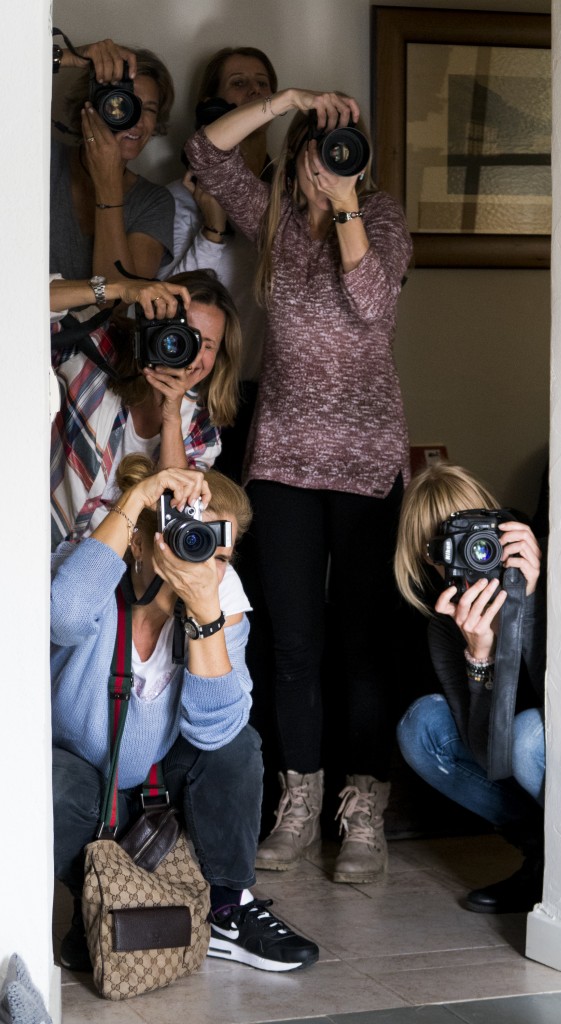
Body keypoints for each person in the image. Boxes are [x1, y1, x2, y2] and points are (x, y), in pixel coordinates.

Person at [184, 88, 413, 883]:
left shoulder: (382, 218)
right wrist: (283, 100)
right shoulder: (274, 220)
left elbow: (373, 304)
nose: (334, 156)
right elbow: (205, 151)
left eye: (348, 144)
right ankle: (299, 801)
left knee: (363, 644)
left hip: (365, 463)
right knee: (291, 643)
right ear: (298, 153)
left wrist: (345, 202)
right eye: (322, 143)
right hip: (281, 461)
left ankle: (363, 811)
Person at [52, 456, 319, 973]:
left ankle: (227, 909)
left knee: (238, 745)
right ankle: (92, 907)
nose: (203, 563)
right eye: (189, 539)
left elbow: (218, 732)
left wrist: (204, 617)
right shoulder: (94, 570)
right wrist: (137, 498)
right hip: (83, 782)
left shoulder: (220, 597)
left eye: (219, 552)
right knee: (53, 782)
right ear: (139, 541)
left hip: (162, 784)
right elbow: (62, 618)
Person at [393, 462, 546, 914]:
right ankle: (541, 856)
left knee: (527, 736)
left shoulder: (552, 573)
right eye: (452, 547)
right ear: (428, 558)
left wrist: (528, 603)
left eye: (482, 537)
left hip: (556, 753)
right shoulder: (447, 626)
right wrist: (481, 656)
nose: (475, 555)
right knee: (421, 725)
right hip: (512, 763)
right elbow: (486, 756)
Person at [50, 269, 241, 550]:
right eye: (185, 336)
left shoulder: (202, 423)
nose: (192, 354)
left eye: (208, 345)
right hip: (34, 530)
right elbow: (24, 303)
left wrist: (171, 415)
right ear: (154, 324)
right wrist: (120, 288)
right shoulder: (100, 345)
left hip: (113, 562)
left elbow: (174, 514)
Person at [161, 46, 278, 481]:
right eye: (239, 83)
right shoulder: (176, 199)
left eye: (263, 85)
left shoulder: (292, 199)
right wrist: (213, 228)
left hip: (269, 393)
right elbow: (169, 303)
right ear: (211, 105)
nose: (254, 92)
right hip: (197, 385)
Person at [51, 36, 174, 280]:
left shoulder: (152, 201)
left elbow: (121, 297)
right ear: (90, 105)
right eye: (125, 104)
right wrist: (65, 57)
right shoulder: (45, 158)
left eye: (149, 109)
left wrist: (108, 185)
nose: (136, 120)